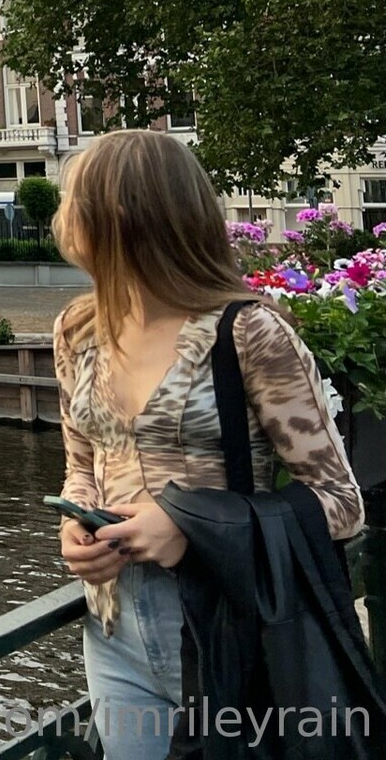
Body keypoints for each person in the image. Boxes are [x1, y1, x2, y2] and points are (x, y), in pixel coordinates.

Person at [52, 129, 363, 760]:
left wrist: (191, 527)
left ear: (121, 215)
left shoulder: (249, 332)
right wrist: (74, 523)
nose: (60, 218)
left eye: (71, 202)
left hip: (229, 623)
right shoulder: (78, 330)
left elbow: (341, 502)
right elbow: (81, 465)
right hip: (112, 625)